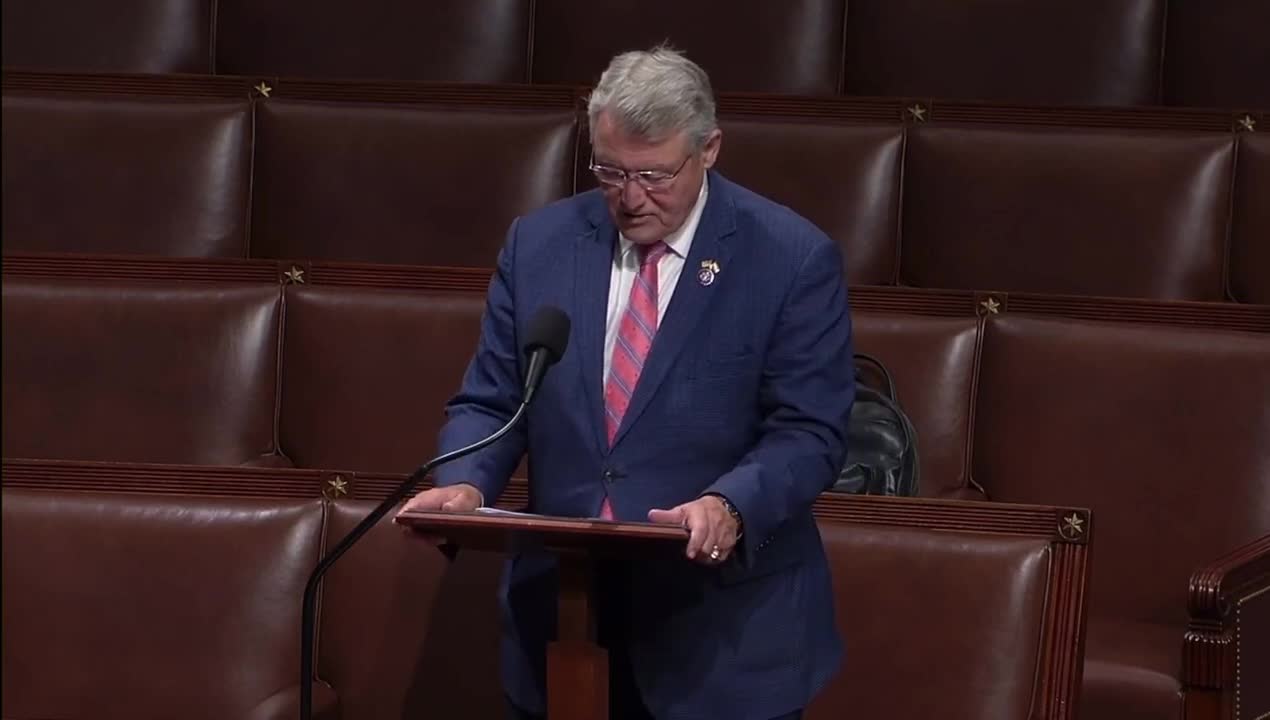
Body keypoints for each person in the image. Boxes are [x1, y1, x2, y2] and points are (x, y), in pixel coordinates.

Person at [398, 45, 855, 720]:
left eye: (654, 175)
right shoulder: (540, 245)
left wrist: (730, 506)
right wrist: (467, 478)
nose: (631, 198)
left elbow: (810, 431)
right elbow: (493, 399)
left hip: (721, 639)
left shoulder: (788, 259)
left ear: (710, 150)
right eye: (611, 173)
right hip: (565, 620)